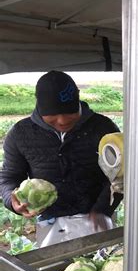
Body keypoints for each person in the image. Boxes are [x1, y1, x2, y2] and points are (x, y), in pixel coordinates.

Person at [0, 71, 122, 244]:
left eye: (70, 114)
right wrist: (12, 201)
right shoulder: (20, 134)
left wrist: (102, 209)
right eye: (53, 119)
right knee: (55, 267)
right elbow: (9, 177)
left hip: (98, 219)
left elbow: (119, 175)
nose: (63, 121)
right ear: (40, 109)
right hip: (50, 223)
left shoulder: (102, 128)